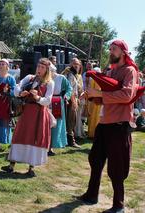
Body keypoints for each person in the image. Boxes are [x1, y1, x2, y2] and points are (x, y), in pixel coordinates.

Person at [78, 40, 139, 213]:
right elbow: (105, 98)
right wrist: (91, 96)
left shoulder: (130, 71)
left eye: (114, 49)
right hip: (104, 124)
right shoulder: (111, 71)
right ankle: (91, 195)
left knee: (117, 166)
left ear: (123, 52)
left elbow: (127, 95)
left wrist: (99, 93)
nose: (111, 51)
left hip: (119, 125)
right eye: (110, 49)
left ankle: (118, 205)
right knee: (95, 160)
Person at [1, 58, 54, 177]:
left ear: (47, 70)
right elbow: (16, 87)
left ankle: (31, 167)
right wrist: (20, 93)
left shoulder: (50, 83)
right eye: (38, 67)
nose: (39, 69)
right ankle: (11, 166)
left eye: (42, 68)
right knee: (20, 135)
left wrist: (38, 98)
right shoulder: (29, 77)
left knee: (34, 137)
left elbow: (48, 100)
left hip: (39, 113)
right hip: (27, 111)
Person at [49, 63, 72, 156]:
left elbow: (69, 88)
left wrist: (67, 96)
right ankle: (46, 145)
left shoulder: (61, 78)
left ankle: (52, 146)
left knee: (56, 124)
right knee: (47, 124)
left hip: (58, 102)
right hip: (47, 102)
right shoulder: (45, 78)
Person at [61, 58, 82, 148]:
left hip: (74, 99)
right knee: (70, 120)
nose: (76, 65)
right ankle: (71, 141)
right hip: (70, 100)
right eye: (74, 63)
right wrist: (73, 99)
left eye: (77, 64)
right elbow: (69, 89)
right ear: (70, 64)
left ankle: (68, 140)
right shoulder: (68, 74)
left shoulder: (75, 75)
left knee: (72, 120)